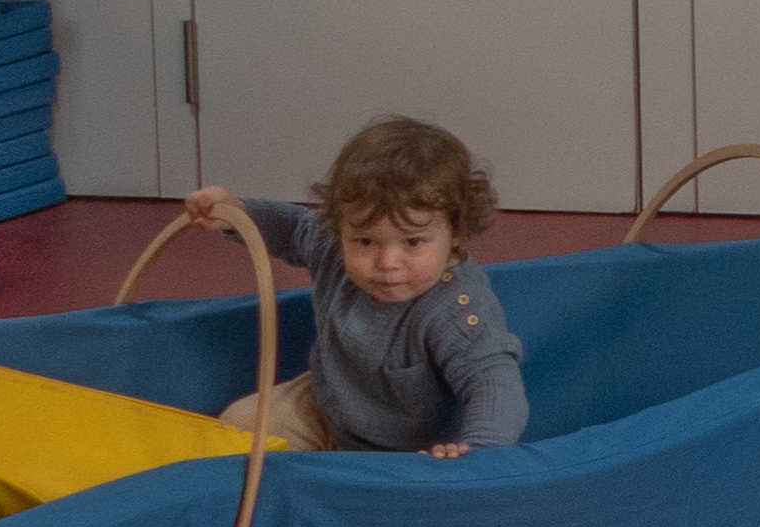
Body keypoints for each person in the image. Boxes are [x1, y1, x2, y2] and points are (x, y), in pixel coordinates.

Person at [175, 114, 526, 457]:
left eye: (413, 242)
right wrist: (237, 212)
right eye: (365, 242)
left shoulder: (458, 308)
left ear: (454, 236)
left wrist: (480, 451)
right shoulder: (333, 243)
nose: (387, 262)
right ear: (340, 227)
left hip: (408, 452)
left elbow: (494, 383)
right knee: (236, 427)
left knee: (377, 500)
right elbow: (294, 227)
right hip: (328, 406)